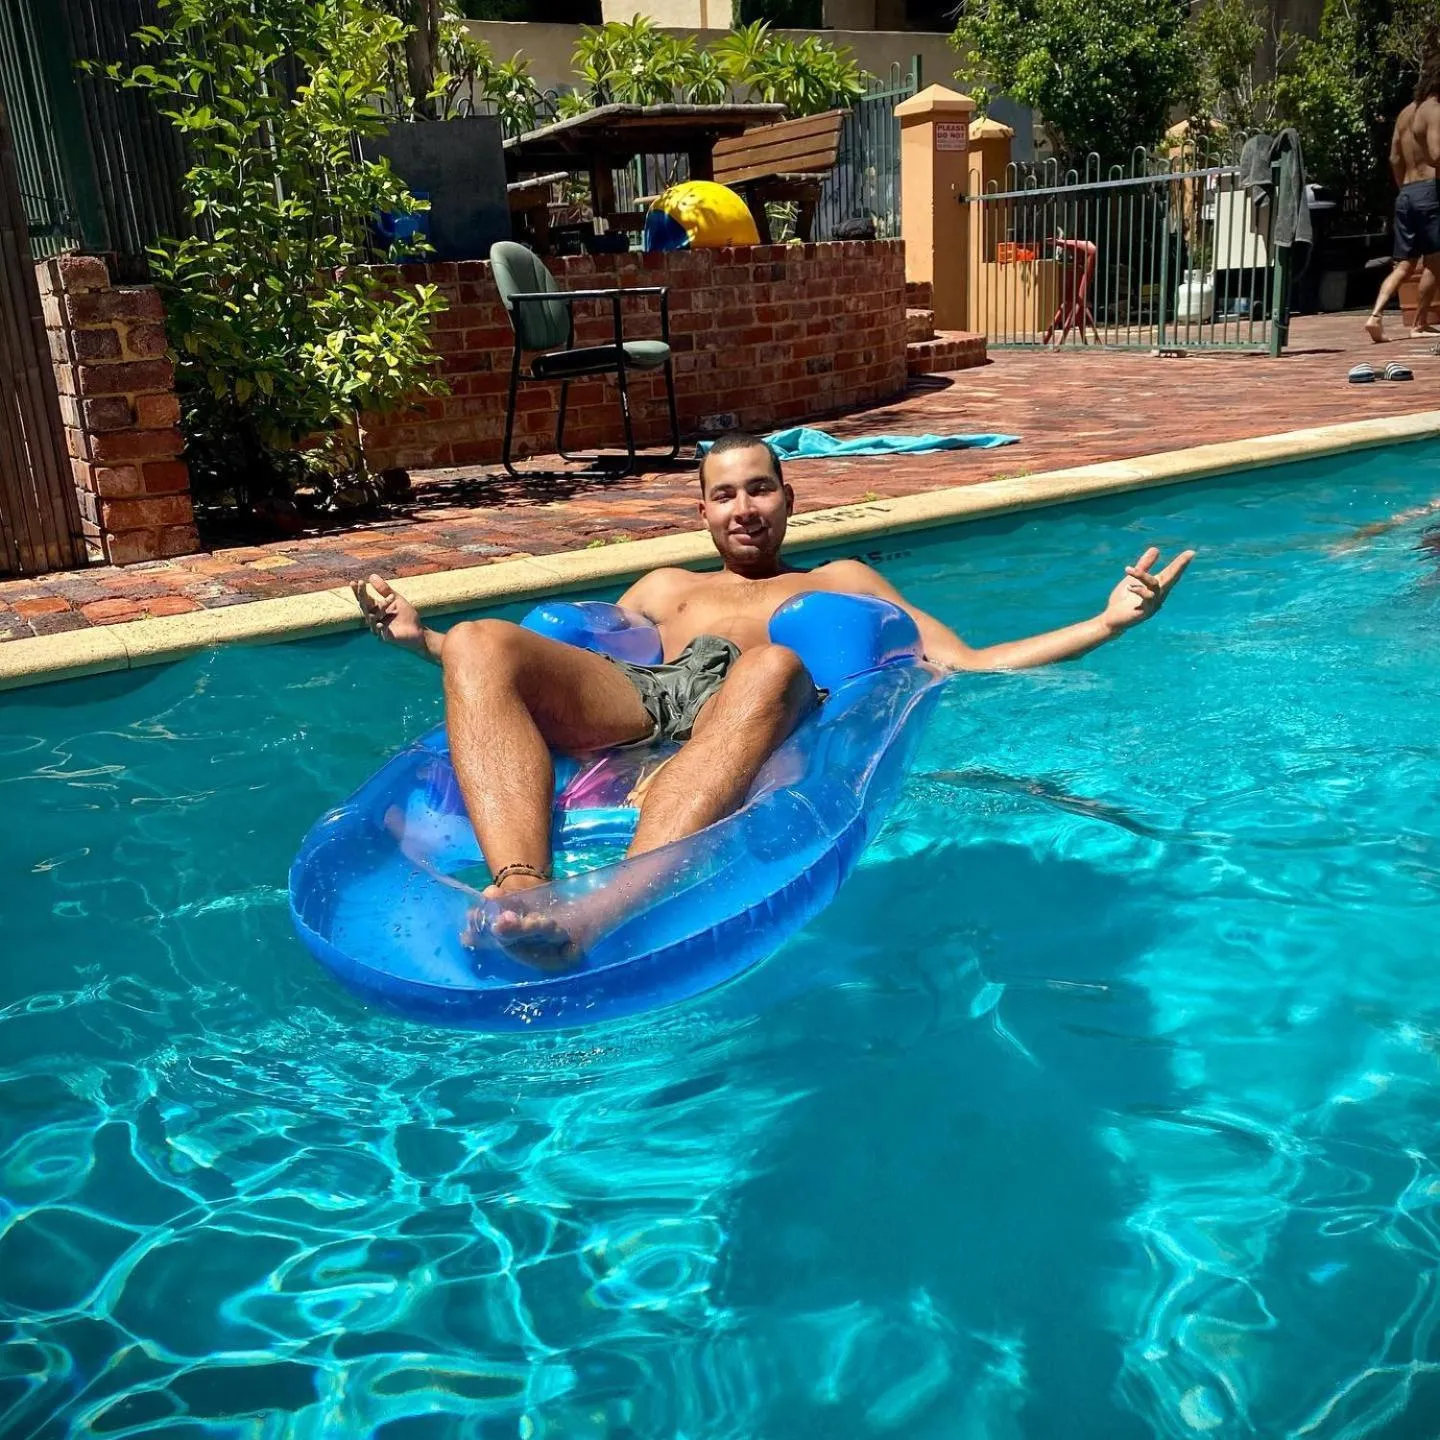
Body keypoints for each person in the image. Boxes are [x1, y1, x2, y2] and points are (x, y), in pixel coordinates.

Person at [355, 432, 1194, 962]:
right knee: (477, 638)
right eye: (725, 494)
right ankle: (520, 886)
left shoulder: (842, 579)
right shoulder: (664, 585)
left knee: (772, 664)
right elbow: (530, 680)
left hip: (758, 706)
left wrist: (1107, 623)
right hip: (648, 699)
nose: (744, 508)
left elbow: (968, 662)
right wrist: (424, 642)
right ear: (704, 511)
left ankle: (598, 915)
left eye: (760, 489)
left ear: (790, 498)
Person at [1365, 56, 1440, 343]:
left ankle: (1375, 315)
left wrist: (1403, 189)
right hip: (1430, 190)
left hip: (1406, 193)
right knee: (1434, 261)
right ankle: (1420, 322)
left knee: (1405, 264)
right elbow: (1436, 154)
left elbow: (1394, 157)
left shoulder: (1406, 113)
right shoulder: (1434, 110)